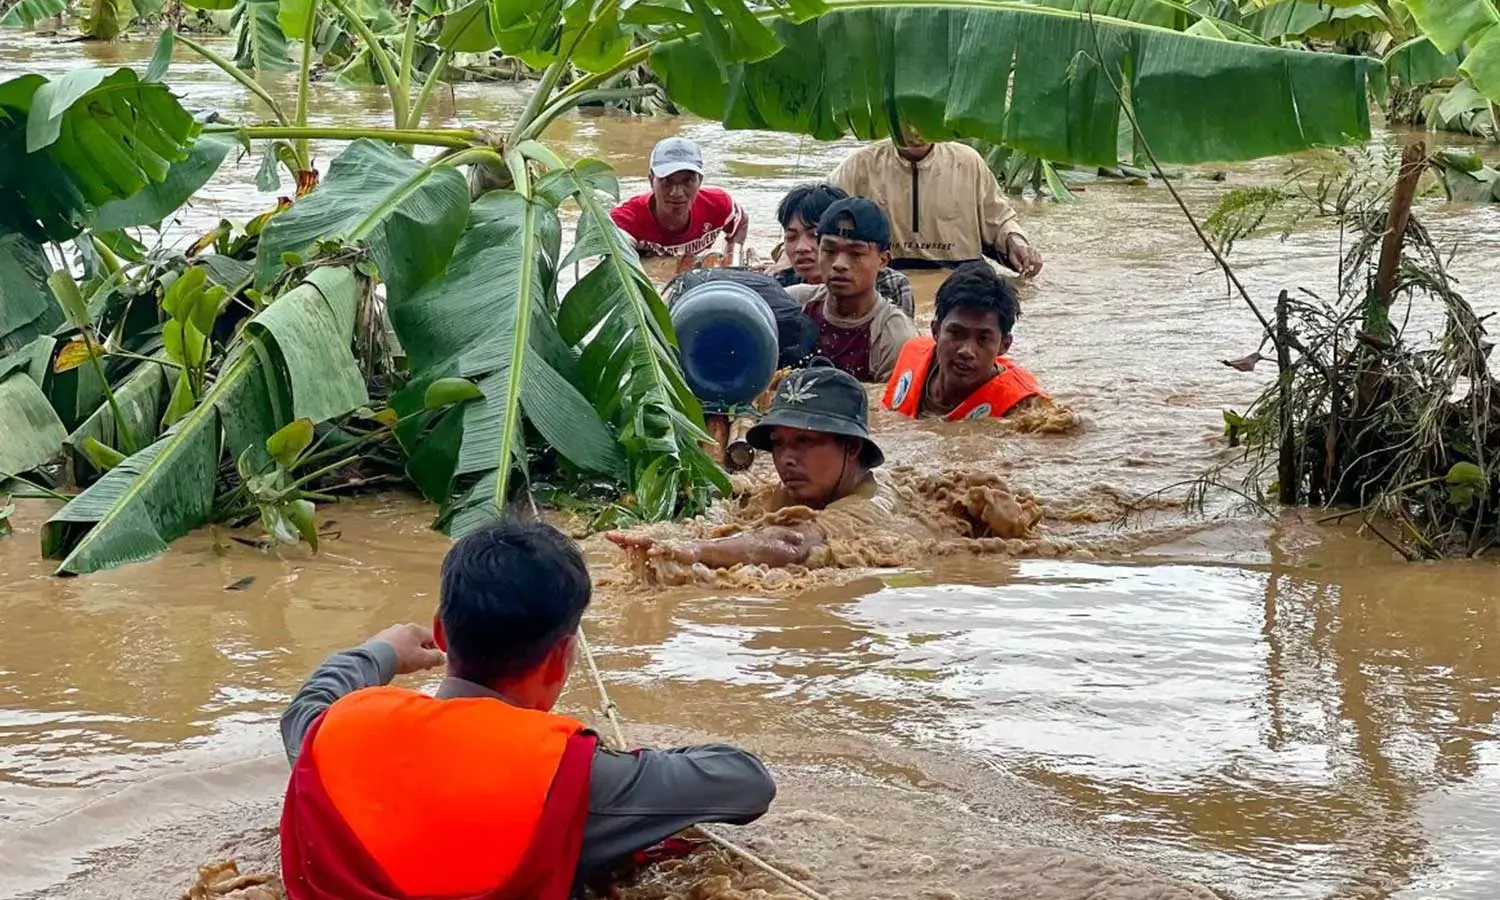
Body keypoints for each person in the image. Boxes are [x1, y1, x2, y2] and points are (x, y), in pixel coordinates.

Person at [278, 520, 775, 900]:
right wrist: (628, 766)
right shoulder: (572, 771)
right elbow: (746, 783)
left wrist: (381, 651)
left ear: (442, 632)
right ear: (562, 656)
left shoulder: (336, 732)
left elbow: (310, 702)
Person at [607, 364, 904, 570]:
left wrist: (694, 549)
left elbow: (793, 545)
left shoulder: (865, 508)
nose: (786, 458)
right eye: (778, 443)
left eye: (804, 441)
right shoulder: (794, 490)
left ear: (852, 448)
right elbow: (738, 500)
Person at [829, 125, 1044, 277]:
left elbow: (999, 220)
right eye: (907, 120)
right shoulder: (859, 165)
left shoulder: (968, 162)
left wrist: (1017, 242)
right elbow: (821, 219)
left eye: (925, 120)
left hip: (962, 278)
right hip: (887, 277)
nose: (915, 130)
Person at [883, 261, 1045, 420]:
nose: (966, 351)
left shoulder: (1022, 406)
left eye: (983, 339)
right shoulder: (912, 354)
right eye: (956, 333)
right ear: (936, 331)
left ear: (1004, 345)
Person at [794, 197, 917, 384]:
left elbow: (891, 402)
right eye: (829, 250)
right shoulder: (796, 304)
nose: (839, 264)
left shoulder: (895, 337)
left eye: (856, 253)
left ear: (883, 260)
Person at [771, 182, 915, 319]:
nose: (801, 248)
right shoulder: (779, 287)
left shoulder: (890, 285)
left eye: (814, 235)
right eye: (791, 237)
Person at [609, 137, 749, 259]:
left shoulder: (719, 205)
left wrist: (732, 257)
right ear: (651, 180)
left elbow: (740, 220)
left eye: (687, 181)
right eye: (666, 181)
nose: (677, 193)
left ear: (700, 181)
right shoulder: (625, 220)